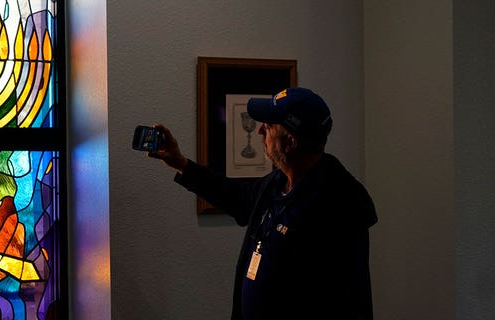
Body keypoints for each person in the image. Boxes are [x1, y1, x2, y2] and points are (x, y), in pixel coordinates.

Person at [147, 87, 378, 319]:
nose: (259, 131)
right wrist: (181, 163)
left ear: (289, 142)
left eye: (268, 127)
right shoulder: (277, 183)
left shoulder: (338, 204)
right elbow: (237, 198)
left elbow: (346, 299)